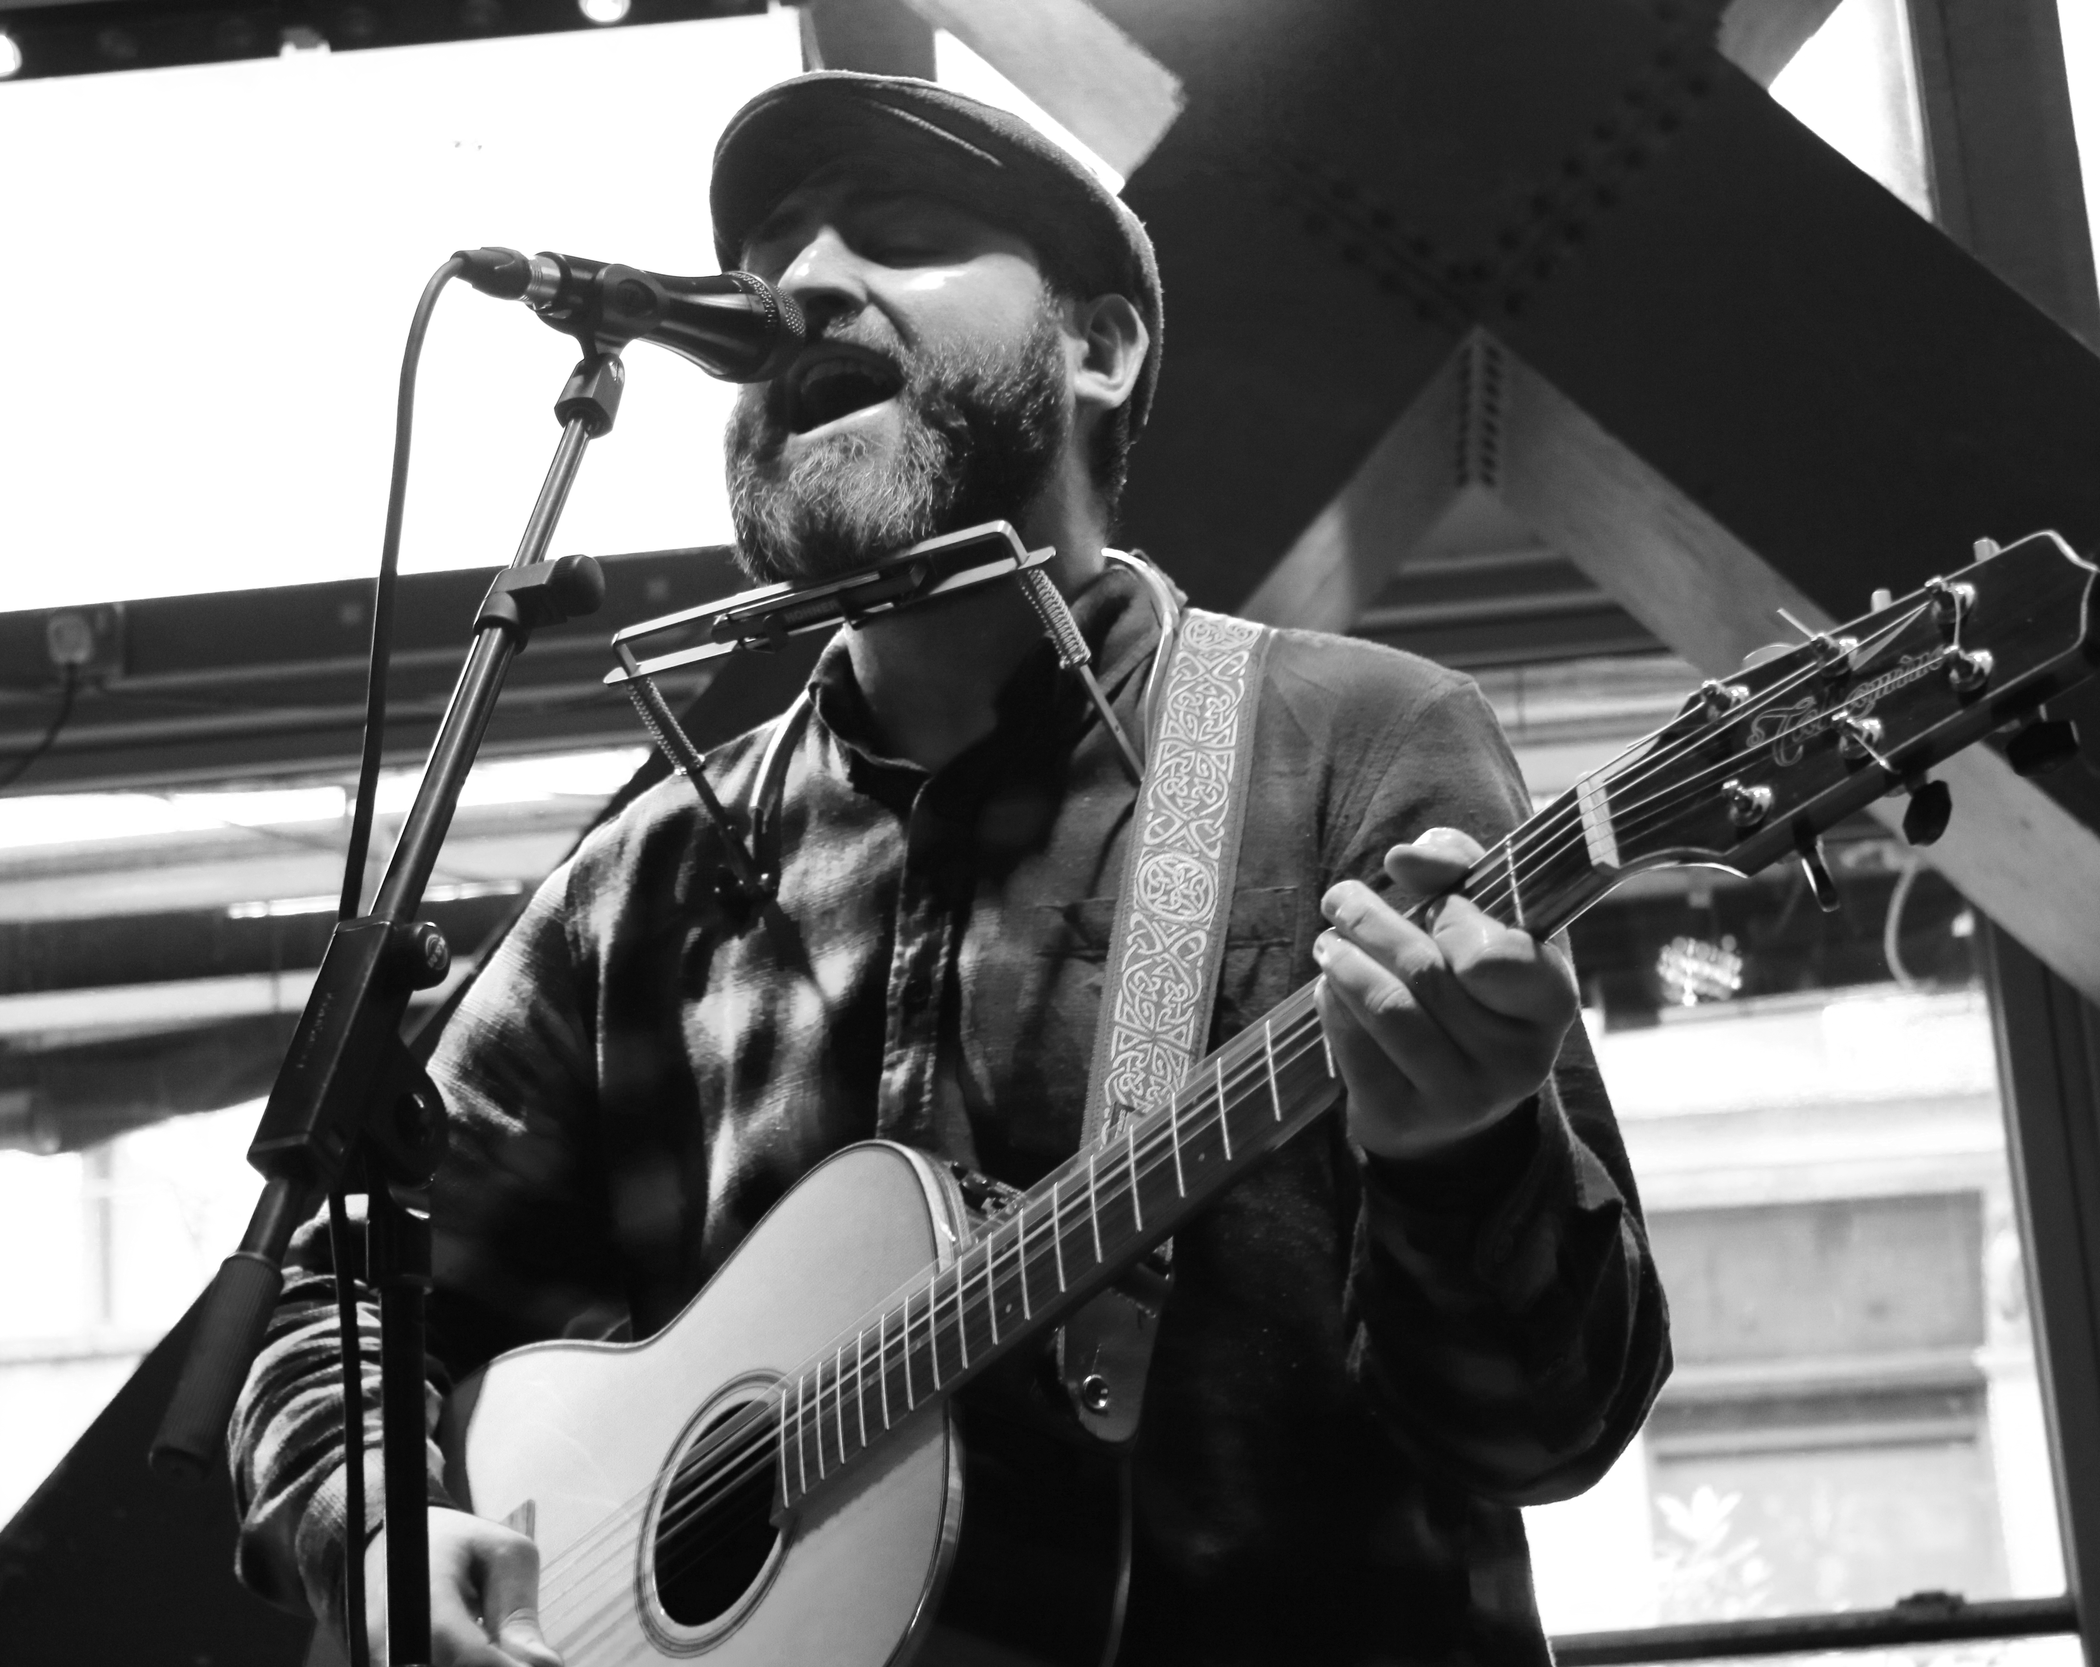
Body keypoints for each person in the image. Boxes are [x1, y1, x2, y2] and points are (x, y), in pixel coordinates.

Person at [231, 71, 1670, 1667]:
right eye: (767, 256)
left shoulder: (1353, 744)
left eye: (899, 233)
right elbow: (334, 1297)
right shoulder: (639, 882)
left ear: (1100, 348)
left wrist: (1465, 1152)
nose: (799, 283)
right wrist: (373, 1522)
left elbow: (1548, 1428)